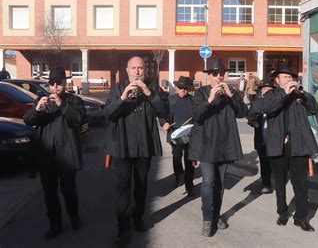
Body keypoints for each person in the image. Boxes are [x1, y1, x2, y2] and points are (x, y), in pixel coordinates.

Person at [103, 56, 169, 245]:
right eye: (134, 68)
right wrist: (123, 97)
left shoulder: (153, 87)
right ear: (127, 69)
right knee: (123, 189)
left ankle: (137, 218)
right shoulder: (118, 88)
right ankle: (123, 229)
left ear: (145, 70)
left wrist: (149, 92)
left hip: (144, 146)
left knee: (141, 186)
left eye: (141, 68)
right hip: (122, 146)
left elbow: (164, 111)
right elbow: (107, 114)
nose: (138, 71)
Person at [23, 67, 87, 240]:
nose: (55, 87)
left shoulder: (73, 100)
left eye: (59, 83)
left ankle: (74, 217)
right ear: (49, 84)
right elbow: (28, 120)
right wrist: (38, 109)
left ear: (64, 84)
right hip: (47, 156)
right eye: (52, 83)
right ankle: (55, 224)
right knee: (49, 193)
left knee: (69, 190)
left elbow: (80, 119)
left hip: (66, 154)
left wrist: (61, 103)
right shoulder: (41, 100)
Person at [188, 58, 248, 237]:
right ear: (209, 76)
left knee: (220, 184)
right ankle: (207, 219)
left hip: (225, 146)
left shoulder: (232, 93)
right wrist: (210, 99)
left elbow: (243, 113)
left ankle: (216, 216)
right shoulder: (200, 93)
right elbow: (197, 116)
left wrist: (231, 96)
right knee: (208, 183)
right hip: (206, 146)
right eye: (215, 74)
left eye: (221, 73)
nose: (219, 76)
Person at [262, 66, 318, 232]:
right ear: (277, 80)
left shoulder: (299, 95)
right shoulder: (271, 94)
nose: (288, 80)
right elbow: (268, 109)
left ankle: (301, 217)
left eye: (290, 77)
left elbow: (314, 109)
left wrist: (303, 94)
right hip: (278, 144)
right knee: (280, 182)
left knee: (301, 182)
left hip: (298, 143)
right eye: (285, 77)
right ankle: (282, 212)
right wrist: (284, 93)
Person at [159, 76, 195, 196]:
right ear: (177, 89)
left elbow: (199, 116)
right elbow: (162, 115)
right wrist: (164, 123)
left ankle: (189, 186)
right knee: (177, 157)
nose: (183, 90)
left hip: (190, 135)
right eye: (181, 88)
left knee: (189, 160)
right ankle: (178, 177)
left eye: (185, 88)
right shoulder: (170, 100)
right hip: (175, 134)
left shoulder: (193, 100)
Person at [247, 78, 275, 194]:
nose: (267, 91)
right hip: (261, 137)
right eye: (264, 89)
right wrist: (253, 122)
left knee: (275, 162)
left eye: (269, 89)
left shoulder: (277, 103)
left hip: (274, 138)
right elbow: (250, 117)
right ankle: (266, 183)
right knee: (264, 162)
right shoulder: (256, 103)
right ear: (261, 91)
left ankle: (276, 179)